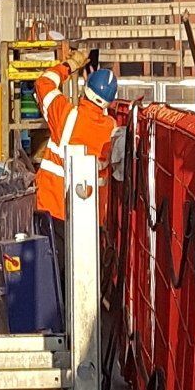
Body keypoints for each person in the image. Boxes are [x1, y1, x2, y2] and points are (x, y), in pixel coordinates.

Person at [35, 63, 120, 263]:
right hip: (92, 215)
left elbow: (43, 82)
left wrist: (69, 65)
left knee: (55, 273)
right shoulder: (112, 129)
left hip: (55, 208)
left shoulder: (66, 115)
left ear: (85, 88)